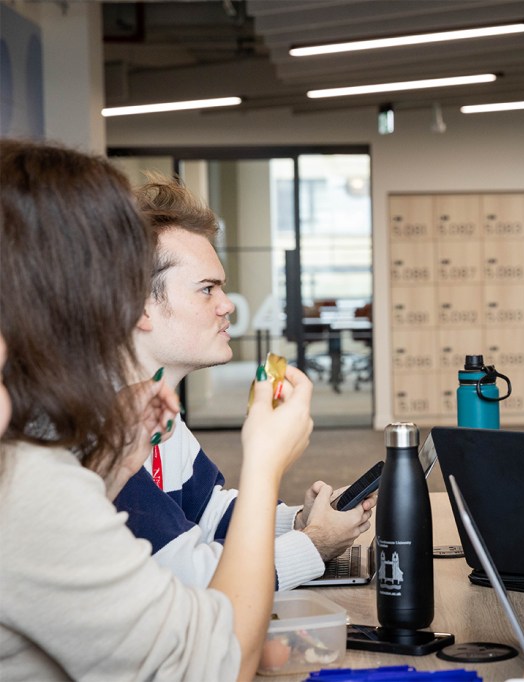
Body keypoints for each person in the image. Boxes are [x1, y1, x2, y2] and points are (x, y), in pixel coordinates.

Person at [0, 139, 313, 680]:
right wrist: (264, 461)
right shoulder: (24, 479)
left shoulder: (93, 435)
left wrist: (104, 471)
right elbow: (217, 662)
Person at [112, 175, 374, 591]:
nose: (227, 303)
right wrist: (314, 543)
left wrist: (297, 521)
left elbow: (210, 513)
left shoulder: (160, 414)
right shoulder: (101, 435)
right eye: (207, 289)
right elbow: (193, 580)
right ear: (140, 306)